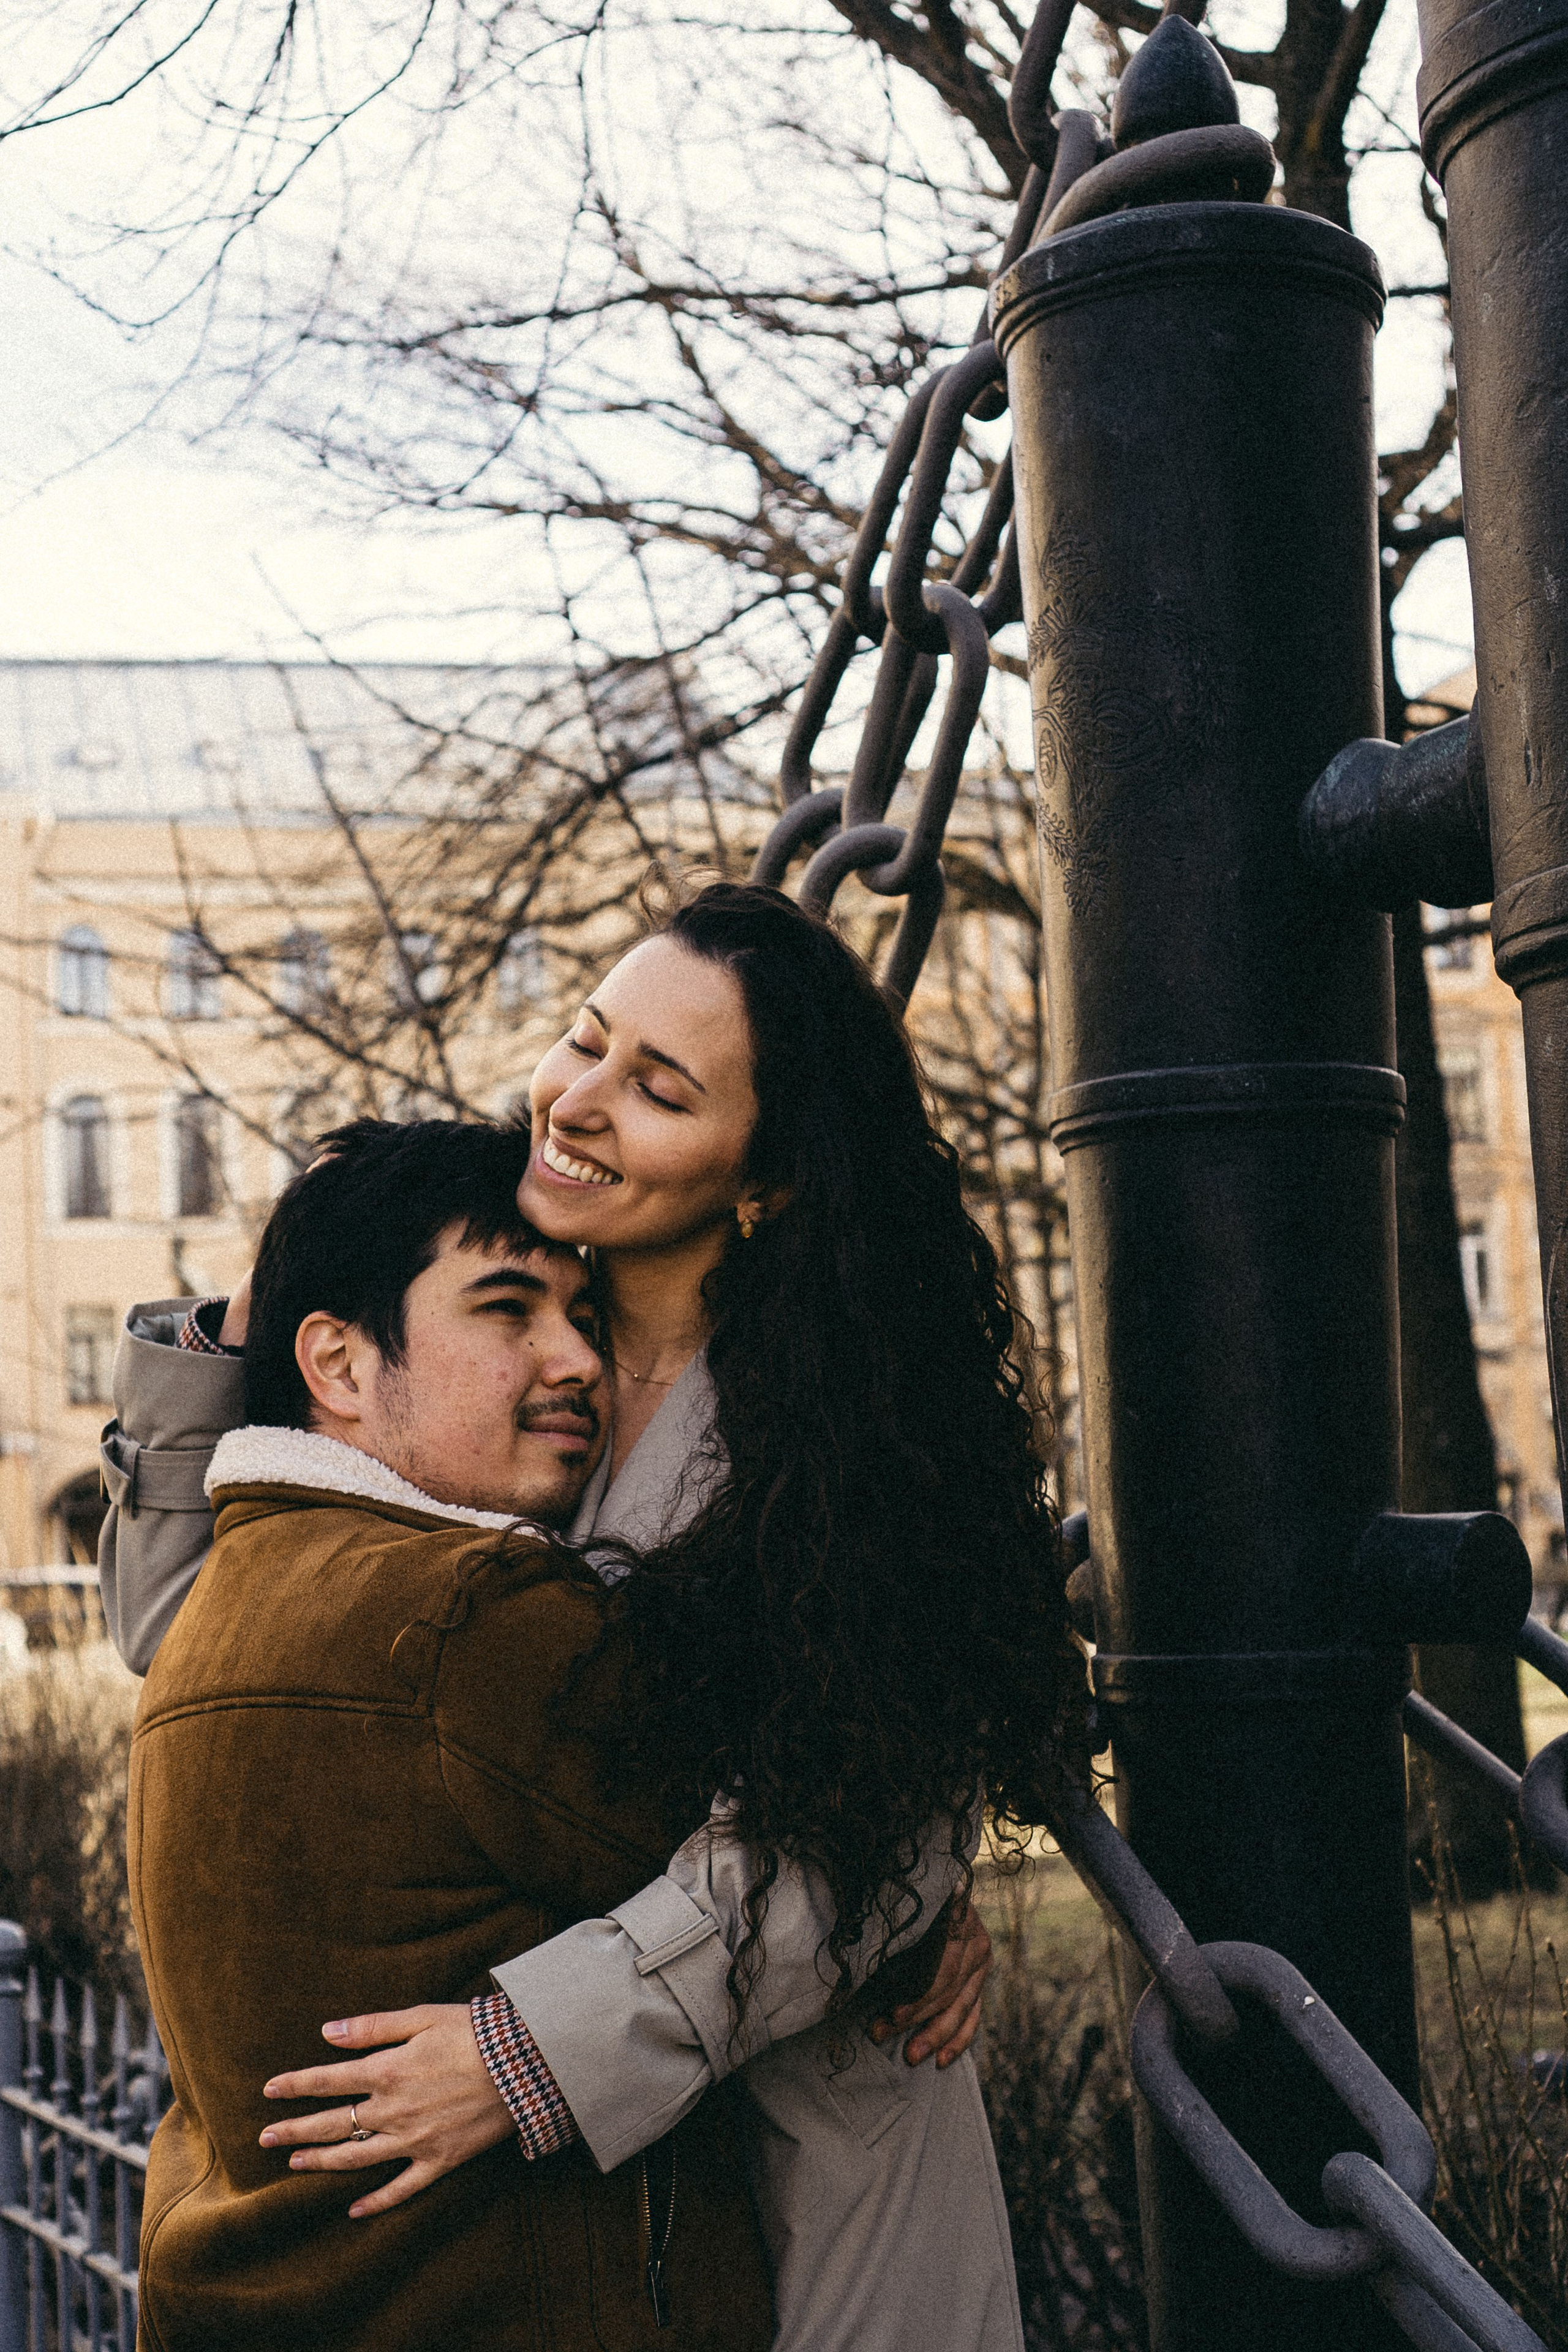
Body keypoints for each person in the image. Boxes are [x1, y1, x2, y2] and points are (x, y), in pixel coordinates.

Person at [103, 881, 1088, 2352]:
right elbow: (200, 1633)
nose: (575, 1101)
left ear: (762, 1177)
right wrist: (265, 1309)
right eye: (584, 1041)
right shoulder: (490, 1323)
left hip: (800, 2151)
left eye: (660, 1088)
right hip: (557, 2236)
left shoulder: (847, 1435)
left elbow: (867, 1808)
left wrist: (534, 2052)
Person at [130, 1118, 776, 2350]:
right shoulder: (470, 1613)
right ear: (335, 1363)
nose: (576, 1360)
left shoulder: (220, 1603)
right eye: (506, 1309)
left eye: (584, 1317)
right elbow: (825, 1862)